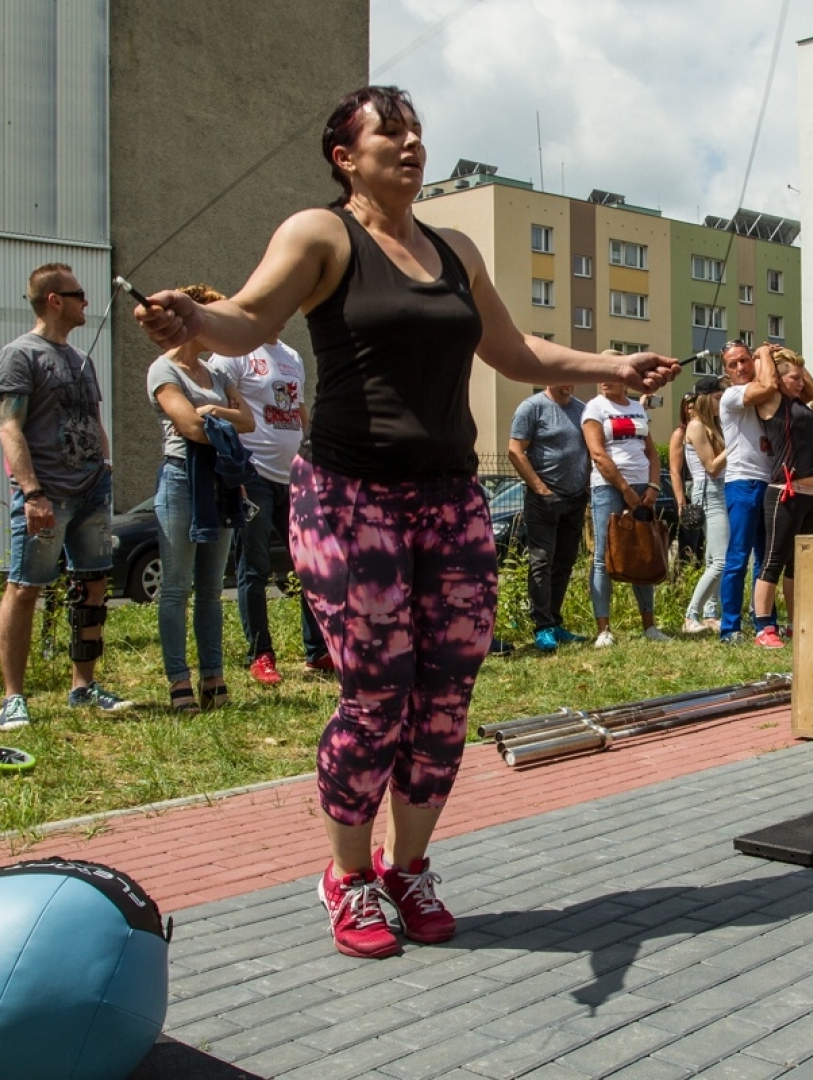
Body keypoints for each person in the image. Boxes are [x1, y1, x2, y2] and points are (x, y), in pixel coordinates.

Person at [132, 85, 677, 959]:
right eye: (392, 132)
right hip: (349, 496)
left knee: (446, 695)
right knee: (377, 688)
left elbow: (515, 350)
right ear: (346, 156)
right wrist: (193, 318)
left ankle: (407, 868)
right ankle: (346, 878)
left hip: (450, 497)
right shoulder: (320, 235)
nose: (413, 143)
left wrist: (614, 362)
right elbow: (247, 318)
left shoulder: (455, 248)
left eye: (418, 130)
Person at [0, 263, 135, 731]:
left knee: (93, 585)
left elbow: (93, 421)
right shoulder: (20, 355)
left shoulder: (81, 360)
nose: (86, 302)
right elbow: (10, 427)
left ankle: (83, 686)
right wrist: (32, 493)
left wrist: (106, 468)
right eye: (78, 294)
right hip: (47, 495)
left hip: (92, 492)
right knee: (25, 586)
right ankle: (13, 698)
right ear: (54, 300)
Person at [147, 284, 257, 714]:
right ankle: (179, 681)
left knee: (212, 589)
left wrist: (214, 412)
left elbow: (246, 419)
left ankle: (214, 677)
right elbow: (189, 427)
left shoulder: (219, 373)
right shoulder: (164, 370)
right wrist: (209, 417)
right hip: (181, 480)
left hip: (219, 482)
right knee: (176, 588)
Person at [207, 332, 331, 684]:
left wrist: (312, 452)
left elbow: (298, 409)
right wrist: (231, 466)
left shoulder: (291, 354)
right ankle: (260, 654)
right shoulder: (233, 352)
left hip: (292, 476)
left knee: (310, 565)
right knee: (255, 567)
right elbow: (216, 405)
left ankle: (317, 651)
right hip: (254, 474)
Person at [583, 369, 672, 648]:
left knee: (643, 551)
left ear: (624, 379)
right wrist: (625, 490)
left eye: (611, 374)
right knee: (602, 555)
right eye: (601, 375)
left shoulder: (636, 407)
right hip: (609, 487)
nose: (604, 380)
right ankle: (604, 630)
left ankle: (650, 626)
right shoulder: (594, 407)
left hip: (643, 486)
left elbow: (651, 452)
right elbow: (598, 454)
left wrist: (654, 487)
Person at [743, 346, 813, 649]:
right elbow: (768, 382)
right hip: (785, 493)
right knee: (773, 561)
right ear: (779, 378)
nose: (800, 383)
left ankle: (793, 623)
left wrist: (796, 362)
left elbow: (812, 390)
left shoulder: (799, 402)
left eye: (800, 377)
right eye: (793, 378)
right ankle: (764, 627)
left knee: (798, 564)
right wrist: (764, 352)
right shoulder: (772, 400)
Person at [508, 384, 591, 652]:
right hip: (543, 499)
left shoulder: (581, 409)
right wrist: (541, 489)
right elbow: (515, 451)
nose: (568, 382)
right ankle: (542, 627)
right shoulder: (532, 408)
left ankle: (555, 622)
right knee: (541, 561)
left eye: (571, 377)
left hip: (575, 498)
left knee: (564, 562)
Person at [717, 340, 775, 641]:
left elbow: (809, 392)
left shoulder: (760, 386)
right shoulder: (731, 395)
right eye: (733, 364)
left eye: (744, 361)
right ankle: (730, 627)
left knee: (766, 559)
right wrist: (765, 355)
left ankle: (765, 622)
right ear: (726, 371)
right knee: (738, 556)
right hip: (742, 481)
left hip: (769, 480)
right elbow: (766, 389)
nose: (740, 368)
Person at [682, 378, 729, 634]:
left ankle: (711, 614)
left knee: (714, 558)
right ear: (705, 398)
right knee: (721, 561)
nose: (721, 403)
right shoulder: (696, 426)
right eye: (718, 398)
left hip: (720, 490)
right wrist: (734, 444)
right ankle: (691, 615)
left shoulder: (714, 425)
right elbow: (711, 467)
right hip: (708, 491)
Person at [668, 392, 705, 564]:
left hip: (707, 488)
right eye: (688, 406)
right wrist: (681, 501)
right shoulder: (680, 434)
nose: (691, 410)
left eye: (694, 405)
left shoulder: (707, 430)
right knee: (689, 542)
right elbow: (675, 471)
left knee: (702, 544)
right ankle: (681, 582)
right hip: (689, 490)